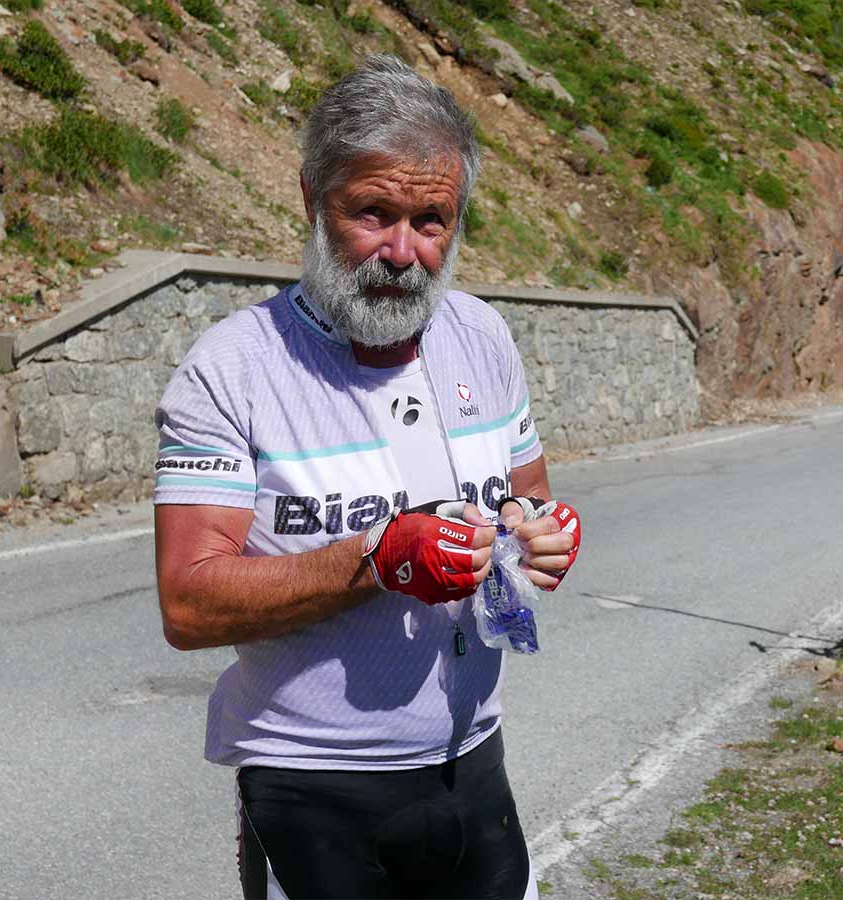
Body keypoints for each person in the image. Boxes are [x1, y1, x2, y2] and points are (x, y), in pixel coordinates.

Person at [151, 54, 581, 900]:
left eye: (432, 222)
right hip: (316, 794)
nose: (402, 252)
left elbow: (529, 495)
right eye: (372, 213)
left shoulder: (484, 338)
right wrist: (377, 558)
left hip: (474, 770)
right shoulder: (229, 369)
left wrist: (543, 535)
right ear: (312, 199)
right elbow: (188, 603)